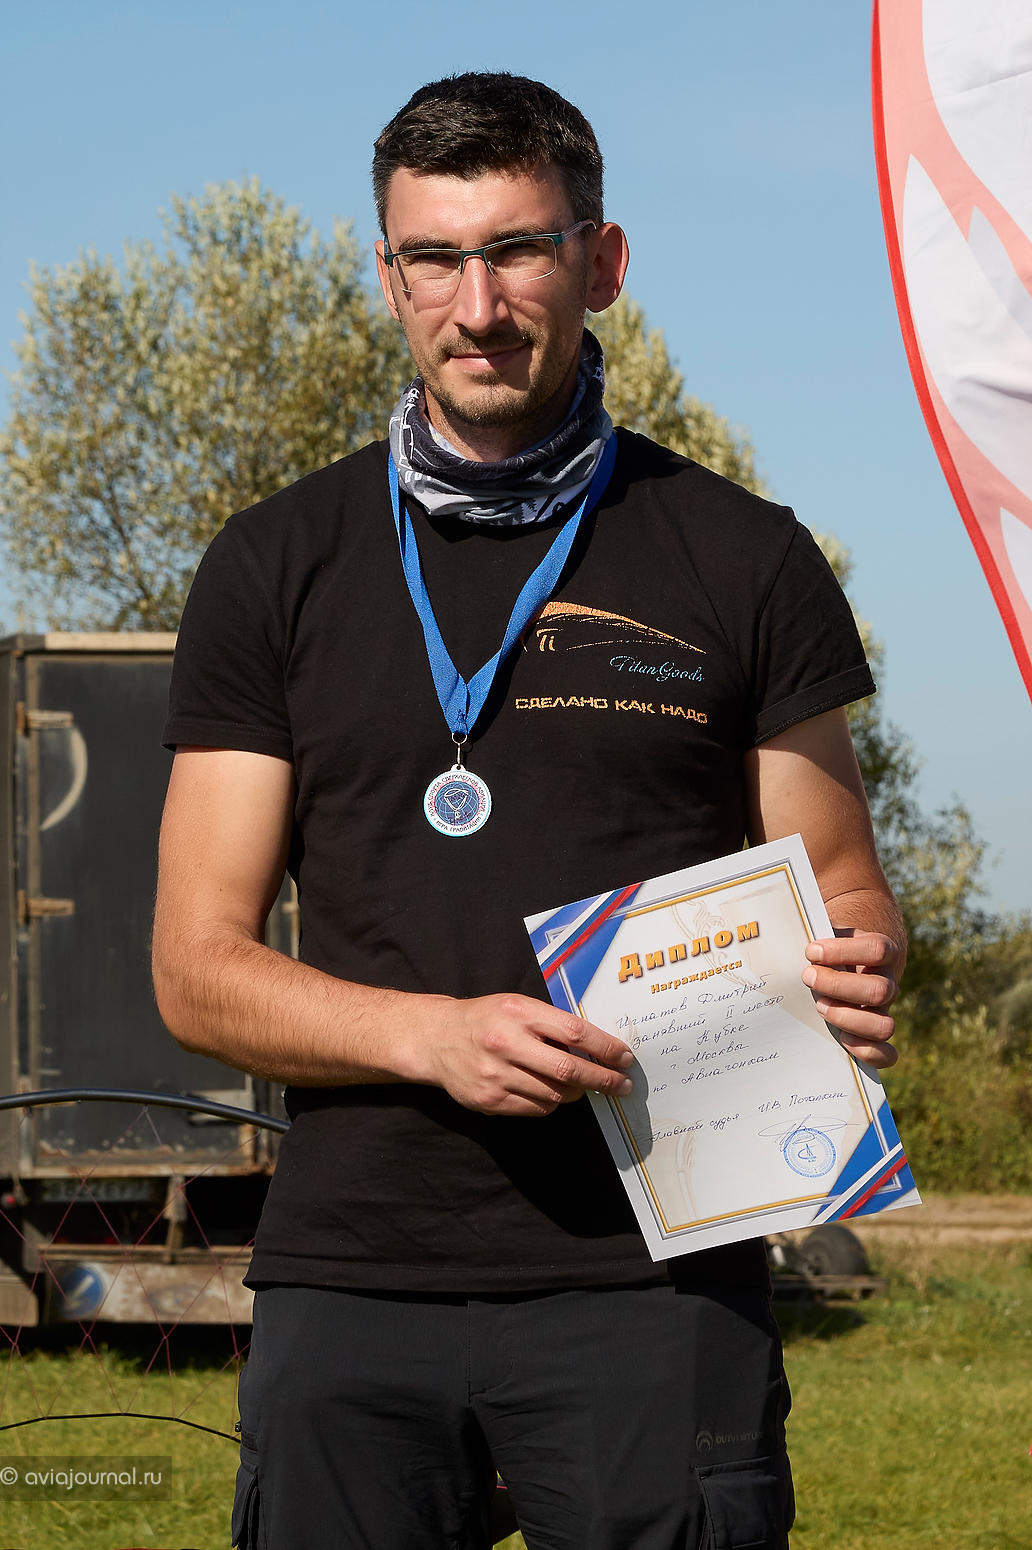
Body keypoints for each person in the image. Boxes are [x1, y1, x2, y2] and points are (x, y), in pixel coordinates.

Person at [153, 71, 905, 1550]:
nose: (478, 305)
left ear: (600, 263)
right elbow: (195, 967)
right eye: (435, 259)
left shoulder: (743, 557)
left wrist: (862, 958)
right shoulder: (273, 564)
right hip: (354, 1279)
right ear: (390, 279)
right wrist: (428, 1036)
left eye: (517, 252)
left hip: (657, 1279)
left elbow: (843, 885)